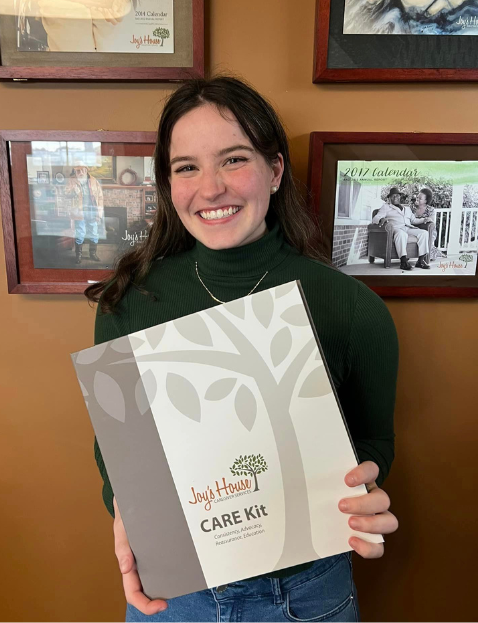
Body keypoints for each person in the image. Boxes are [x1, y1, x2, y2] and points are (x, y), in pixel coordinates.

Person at [86, 76, 399, 622]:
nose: (210, 189)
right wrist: (125, 512)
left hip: (309, 588)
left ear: (275, 171)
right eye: (187, 167)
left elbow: (374, 441)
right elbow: (116, 454)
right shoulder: (131, 302)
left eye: (233, 160)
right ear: (168, 184)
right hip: (174, 592)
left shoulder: (352, 308)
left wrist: (362, 489)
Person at [372, 186, 433, 270]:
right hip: (396, 228)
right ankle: (403, 262)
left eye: (397, 195)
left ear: (400, 197)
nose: (395, 197)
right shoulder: (386, 207)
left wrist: (424, 219)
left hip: (408, 228)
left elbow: (414, 220)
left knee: (424, 233)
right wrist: (381, 219)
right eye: (393, 196)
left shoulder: (407, 208)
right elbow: (375, 218)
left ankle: (420, 261)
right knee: (401, 234)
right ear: (389, 198)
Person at [66, 161, 104, 264]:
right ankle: (78, 256)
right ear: (75, 171)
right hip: (79, 211)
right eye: (78, 170)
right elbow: (66, 194)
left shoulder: (94, 181)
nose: (80, 172)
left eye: (82, 170)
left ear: (86, 170)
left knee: (94, 233)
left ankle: (93, 254)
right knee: (80, 233)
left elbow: (100, 197)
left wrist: (99, 213)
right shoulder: (72, 181)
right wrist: (72, 190)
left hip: (92, 210)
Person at [410, 188, 444, 262]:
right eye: (417, 197)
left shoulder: (430, 209)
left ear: (425, 201)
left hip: (427, 229)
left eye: (420, 198)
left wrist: (428, 219)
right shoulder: (412, 207)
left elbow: (431, 220)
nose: (417, 199)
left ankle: (432, 254)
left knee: (428, 240)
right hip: (414, 229)